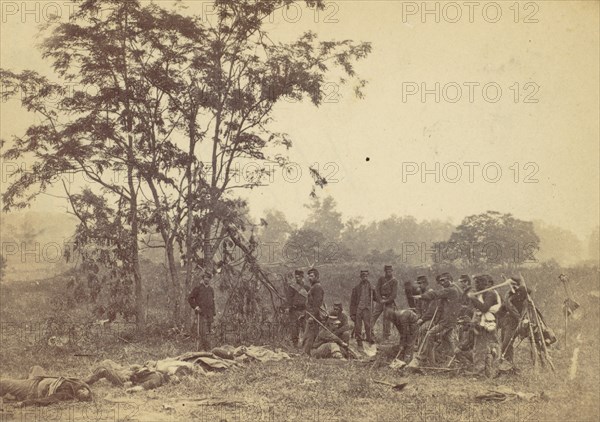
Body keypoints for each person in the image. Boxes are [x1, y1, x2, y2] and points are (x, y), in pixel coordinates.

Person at [410, 273, 461, 366]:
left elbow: (436, 294)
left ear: (449, 280)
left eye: (443, 280)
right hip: (446, 320)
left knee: (429, 334)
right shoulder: (449, 290)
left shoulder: (451, 290)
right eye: (440, 281)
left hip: (447, 321)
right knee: (448, 340)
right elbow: (440, 306)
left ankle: (422, 357)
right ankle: (460, 359)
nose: (441, 283)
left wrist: (421, 297)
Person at [0, 366, 92, 407]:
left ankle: (14, 394)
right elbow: (88, 380)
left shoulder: (66, 393)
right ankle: (14, 393)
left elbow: (48, 400)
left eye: (82, 395)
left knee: (3, 382)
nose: (83, 392)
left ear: (78, 397)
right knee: (36, 367)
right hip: (40, 379)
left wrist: (25, 403)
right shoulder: (77, 383)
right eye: (84, 391)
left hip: (33, 388)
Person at [466, 275, 501, 378]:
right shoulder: (482, 294)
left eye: (477, 283)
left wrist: (473, 298)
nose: (475, 285)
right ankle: (486, 372)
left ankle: (479, 373)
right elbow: (473, 309)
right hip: (482, 323)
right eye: (475, 283)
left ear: (484, 284)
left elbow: (484, 308)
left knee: (481, 349)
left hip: (488, 323)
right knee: (482, 348)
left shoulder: (490, 294)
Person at [85, 360, 170, 393]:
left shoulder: (156, 378)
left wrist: (131, 389)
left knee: (104, 370)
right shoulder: (155, 370)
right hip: (126, 371)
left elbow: (142, 387)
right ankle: (91, 377)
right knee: (107, 362)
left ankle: (85, 382)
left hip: (125, 380)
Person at [497, 276, 529, 364]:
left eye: (512, 284)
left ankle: (505, 363)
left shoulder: (521, 292)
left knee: (506, 343)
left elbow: (526, 291)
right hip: (506, 321)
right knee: (504, 342)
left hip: (514, 321)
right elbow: (504, 306)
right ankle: (508, 364)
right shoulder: (509, 294)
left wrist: (517, 286)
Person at [188, 272, 216, 351]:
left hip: (209, 314)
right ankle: (200, 351)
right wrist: (196, 307)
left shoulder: (211, 289)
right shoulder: (198, 288)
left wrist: (214, 313)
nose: (207, 279)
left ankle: (209, 351)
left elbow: (212, 302)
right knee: (202, 333)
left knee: (208, 333)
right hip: (201, 314)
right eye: (205, 277)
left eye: (209, 278)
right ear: (203, 278)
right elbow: (190, 298)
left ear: (210, 279)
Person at [350, 270, 376, 347]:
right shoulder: (356, 288)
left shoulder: (371, 288)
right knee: (358, 326)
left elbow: (376, 298)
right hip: (359, 309)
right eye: (363, 276)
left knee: (368, 325)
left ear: (368, 276)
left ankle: (369, 340)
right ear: (361, 277)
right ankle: (359, 342)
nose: (365, 277)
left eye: (366, 276)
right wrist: (352, 313)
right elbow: (352, 302)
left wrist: (375, 291)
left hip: (367, 309)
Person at [371, 265, 398, 341]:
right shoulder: (381, 279)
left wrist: (386, 300)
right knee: (374, 315)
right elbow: (377, 289)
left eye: (390, 271)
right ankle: (369, 332)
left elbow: (394, 294)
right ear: (385, 271)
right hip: (380, 300)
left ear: (392, 271)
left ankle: (386, 336)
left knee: (387, 318)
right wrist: (380, 299)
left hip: (389, 302)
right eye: (387, 271)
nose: (389, 273)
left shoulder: (394, 281)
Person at [303, 268, 325, 356]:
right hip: (310, 315)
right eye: (308, 276)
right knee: (309, 334)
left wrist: (312, 316)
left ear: (317, 277)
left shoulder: (317, 287)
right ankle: (309, 352)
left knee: (310, 335)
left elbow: (317, 304)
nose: (309, 278)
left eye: (311, 276)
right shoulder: (313, 286)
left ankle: (307, 353)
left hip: (313, 316)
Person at [285, 270, 308, 347]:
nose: (297, 279)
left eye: (299, 277)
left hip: (304, 310)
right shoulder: (292, 287)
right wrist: (288, 307)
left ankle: (305, 345)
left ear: (302, 277)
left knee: (305, 328)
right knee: (294, 328)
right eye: (296, 277)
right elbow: (289, 299)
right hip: (294, 310)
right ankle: (295, 344)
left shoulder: (307, 288)